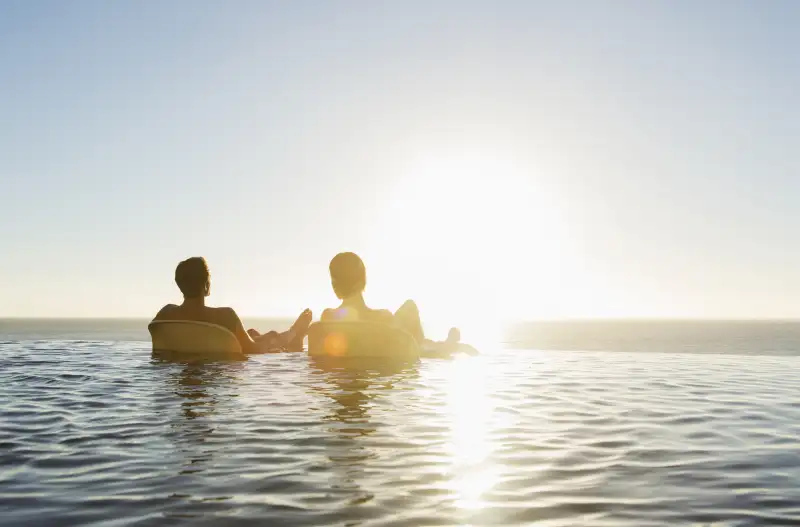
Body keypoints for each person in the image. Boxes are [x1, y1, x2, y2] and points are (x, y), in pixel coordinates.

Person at [153, 257, 312, 353]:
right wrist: (270, 340)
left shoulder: (165, 314)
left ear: (179, 284)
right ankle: (294, 333)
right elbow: (253, 350)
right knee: (270, 339)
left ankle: (286, 335)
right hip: (231, 357)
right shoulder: (225, 316)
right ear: (206, 284)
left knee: (252, 333)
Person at [321, 252, 461, 351]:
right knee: (410, 306)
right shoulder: (382, 318)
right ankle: (445, 344)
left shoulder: (329, 316)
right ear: (363, 279)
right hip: (401, 355)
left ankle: (442, 344)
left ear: (334, 284)